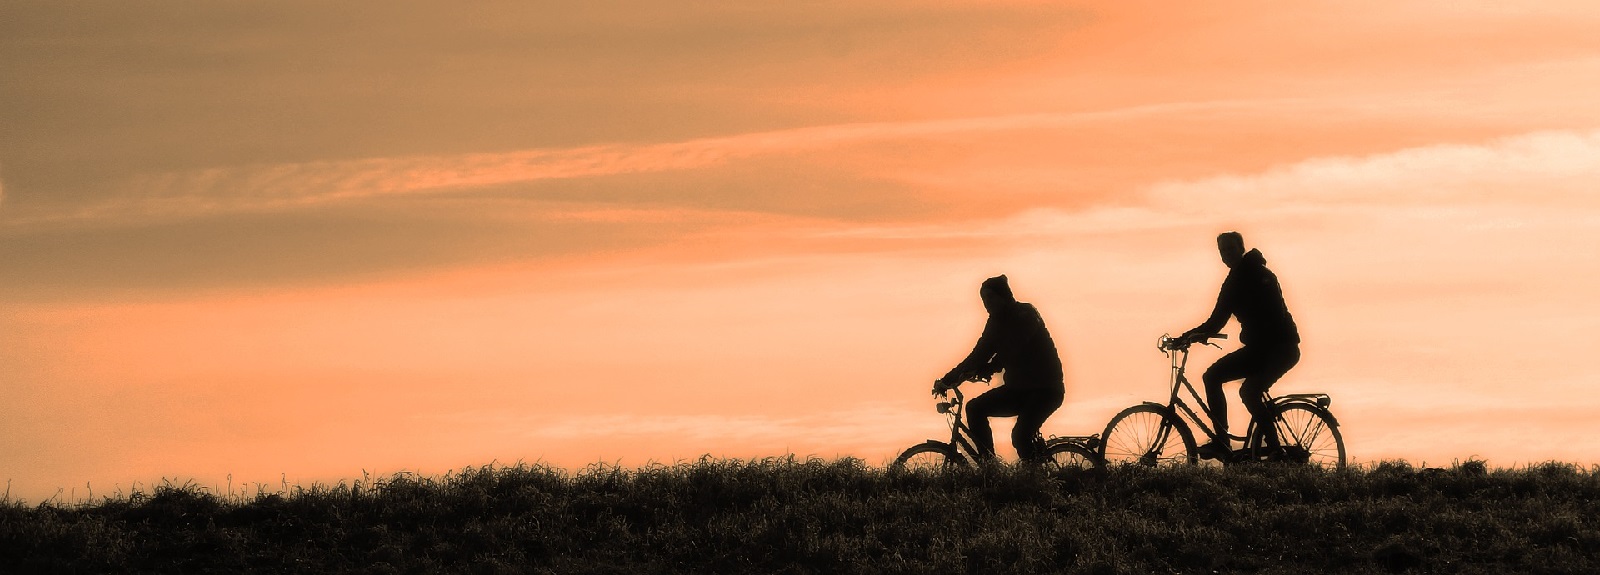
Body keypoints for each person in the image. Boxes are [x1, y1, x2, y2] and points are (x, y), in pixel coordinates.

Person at [1178, 231, 1301, 459]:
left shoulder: (1261, 276)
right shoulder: (1234, 280)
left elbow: (1275, 314)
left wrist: (1195, 335)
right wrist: (1187, 336)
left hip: (1281, 348)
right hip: (1260, 349)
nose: (1226, 254)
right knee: (1213, 377)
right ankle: (1222, 442)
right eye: (1222, 251)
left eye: (1230, 249)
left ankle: (1276, 450)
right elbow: (1216, 321)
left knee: (1248, 391)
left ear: (1241, 248)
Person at [932, 275, 1065, 462]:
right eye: (983, 300)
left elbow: (1014, 348)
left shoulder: (1026, 314)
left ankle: (1038, 481)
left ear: (1004, 296)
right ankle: (990, 468)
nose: (986, 304)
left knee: (1020, 436)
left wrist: (989, 368)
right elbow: (979, 354)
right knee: (975, 408)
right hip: (1018, 389)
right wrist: (948, 380)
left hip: (1045, 389)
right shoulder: (995, 322)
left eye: (990, 298)